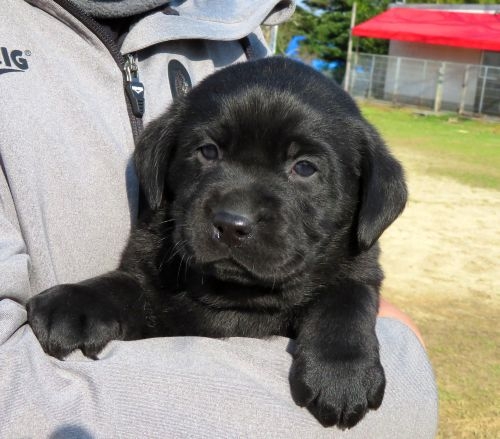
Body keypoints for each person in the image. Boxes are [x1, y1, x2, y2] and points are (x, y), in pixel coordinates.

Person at [0, 1, 438, 437]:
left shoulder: (239, 35)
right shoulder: (163, 249)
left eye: (304, 168)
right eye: (208, 152)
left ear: (366, 197)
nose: (236, 214)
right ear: (163, 162)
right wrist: (105, 298)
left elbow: (356, 289)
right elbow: (142, 289)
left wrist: (346, 329)